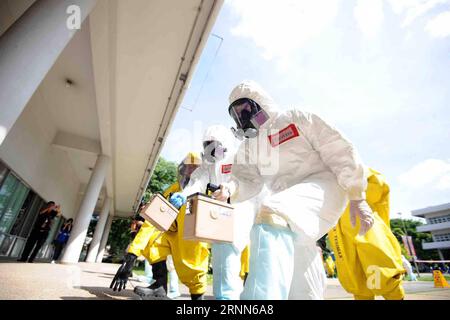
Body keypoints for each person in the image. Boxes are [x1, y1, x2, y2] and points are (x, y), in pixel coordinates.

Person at [212, 80, 374, 300]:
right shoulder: (250, 146)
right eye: (236, 114)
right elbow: (246, 179)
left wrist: (357, 196)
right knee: (299, 282)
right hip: (290, 204)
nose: (242, 118)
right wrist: (230, 188)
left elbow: (338, 149)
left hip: (323, 187)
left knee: (271, 213)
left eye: (245, 109)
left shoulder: (295, 119)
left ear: (259, 103)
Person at [169, 125, 260, 300]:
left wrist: (230, 189)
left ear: (224, 144)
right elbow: (198, 182)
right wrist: (183, 194)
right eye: (207, 144)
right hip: (220, 214)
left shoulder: (237, 157)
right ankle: (224, 298)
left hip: (240, 210)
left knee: (229, 257)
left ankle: (228, 299)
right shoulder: (208, 165)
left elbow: (246, 180)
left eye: (214, 144)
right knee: (220, 258)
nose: (210, 149)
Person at [110, 152, 209, 300]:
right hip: (170, 234)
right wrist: (131, 258)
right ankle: (159, 286)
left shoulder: (206, 190)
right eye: (188, 167)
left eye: (195, 168)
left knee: (193, 265)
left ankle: (197, 299)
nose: (191, 171)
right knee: (151, 242)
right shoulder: (172, 190)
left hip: (192, 236)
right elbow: (152, 221)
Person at [328, 167, 406, 299]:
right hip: (340, 233)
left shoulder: (352, 168)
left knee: (381, 273)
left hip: (364, 228)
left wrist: (356, 190)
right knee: (356, 281)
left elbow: (377, 185)